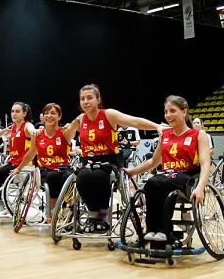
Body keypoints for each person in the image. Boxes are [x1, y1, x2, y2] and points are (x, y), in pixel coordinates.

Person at [68, 84, 161, 233]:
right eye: (82, 99)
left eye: (90, 98)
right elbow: (67, 136)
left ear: (98, 100)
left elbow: (134, 121)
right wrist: (68, 129)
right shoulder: (80, 119)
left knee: (99, 176)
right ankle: (93, 214)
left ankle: (103, 215)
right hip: (88, 161)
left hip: (109, 161)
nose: (85, 101)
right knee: (82, 177)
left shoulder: (108, 114)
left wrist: (157, 127)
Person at [126, 95, 210, 243]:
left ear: (184, 112)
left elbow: (205, 163)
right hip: (168, 175)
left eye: (172, 111)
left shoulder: (198, 135)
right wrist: (132, 171)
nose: (168, 115)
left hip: (188, 177)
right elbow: (154, 161)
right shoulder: (164, 135)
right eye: (166, 112)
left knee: (164, 183)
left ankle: (165, 230)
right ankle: (152, 230)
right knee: (151, 183)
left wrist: (201, 188)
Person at [11, 103, 75, 215]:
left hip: (64, 168)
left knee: (72, 177)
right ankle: (52, 212)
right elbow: (30, 154)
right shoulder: (37, 135)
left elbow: (76, 127)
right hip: (45, 170)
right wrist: (19, 168)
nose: (49, 115)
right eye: (46, 113)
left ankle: (69, 208)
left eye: (53, 113)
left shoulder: (64, 132)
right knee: (53, 177)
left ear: (59, 116)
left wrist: (71, 125)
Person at [0, 102, 35, 197]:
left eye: (17, 111)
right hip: (13, 163)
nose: (14, 114)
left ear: (24, 113)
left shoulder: (27, 125)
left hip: (24, 165)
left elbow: (32, 130)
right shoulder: (13, 128)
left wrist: (35, 131)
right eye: (12, 111)